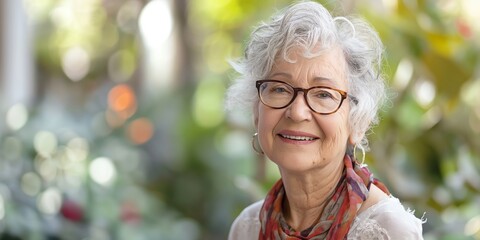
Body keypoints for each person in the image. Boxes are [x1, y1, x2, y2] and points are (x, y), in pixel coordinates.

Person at [225, 1, 425, 239]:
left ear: (357, 122)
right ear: (257, 110)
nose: (297, 112)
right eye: (279, 89)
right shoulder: (248, 228)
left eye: (323, 94)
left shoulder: (387, 231)